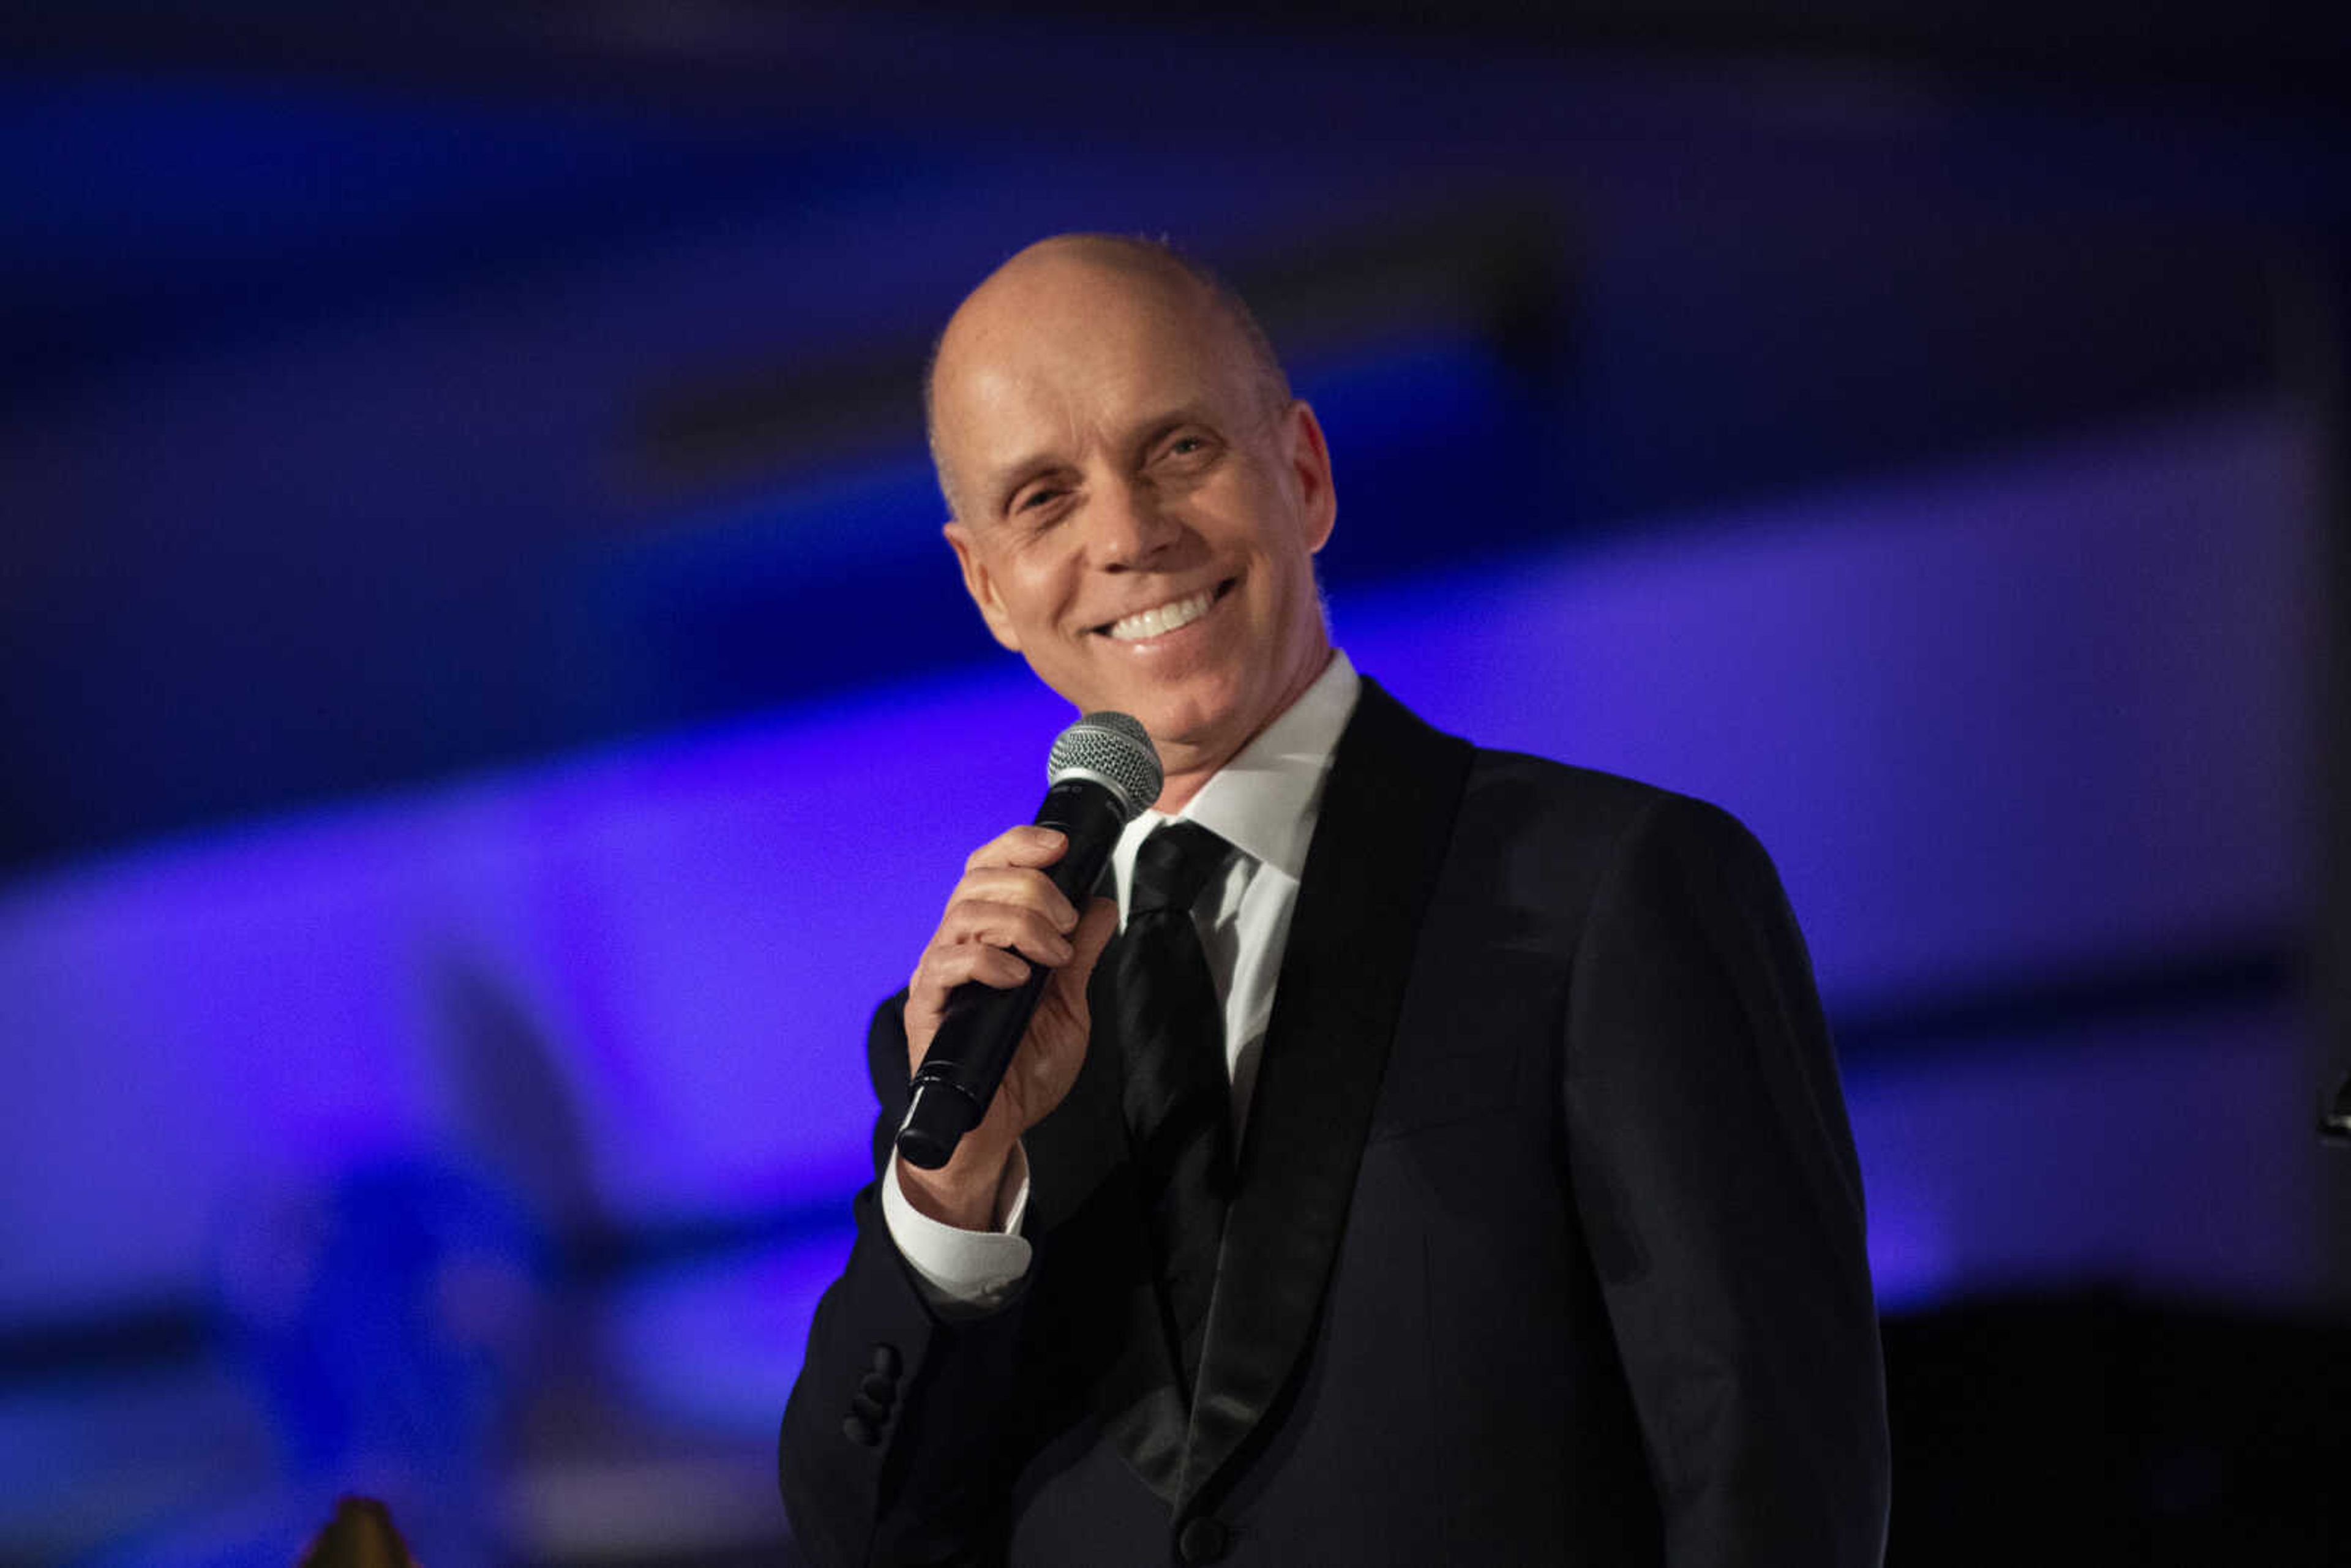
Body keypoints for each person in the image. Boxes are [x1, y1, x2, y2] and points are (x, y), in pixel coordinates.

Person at [778, 233, 1890, 1566]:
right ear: (988, 586)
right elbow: (862, 1537)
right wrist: (953, 1196)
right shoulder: (970, 1041)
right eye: (1045, 499)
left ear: (1302, 472)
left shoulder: (1616, 890)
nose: (1128, 536)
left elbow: (1768, 1486)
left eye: (1177, 449)